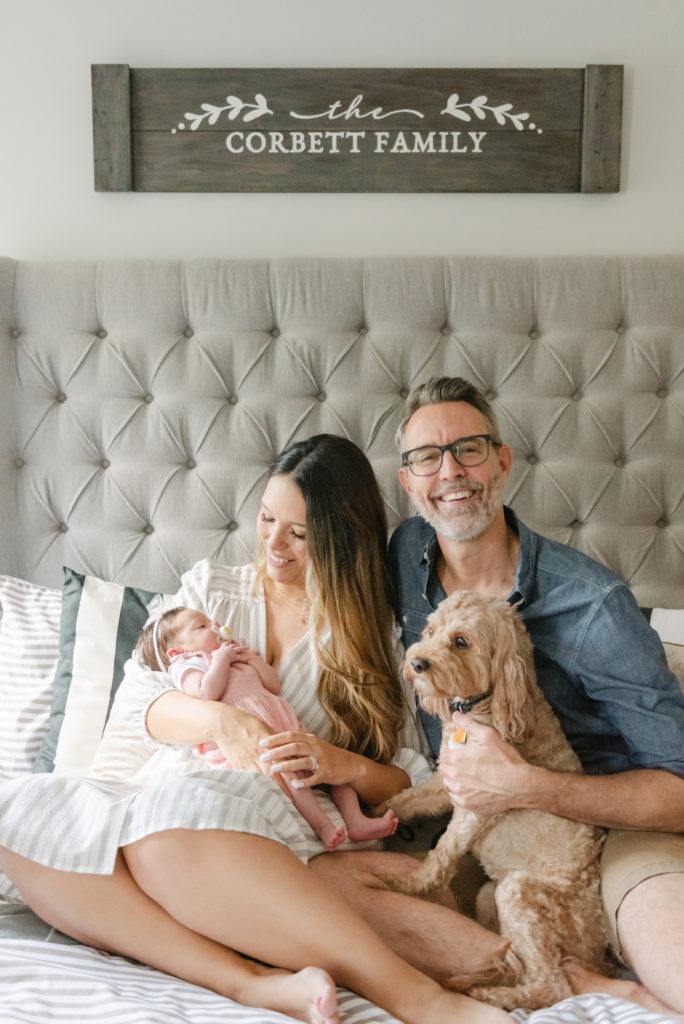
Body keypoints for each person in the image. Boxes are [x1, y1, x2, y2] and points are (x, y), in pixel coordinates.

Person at [0, 433, 510, 1024]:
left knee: (169, 832)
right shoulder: (210, 590)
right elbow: (143, 698)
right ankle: (249, 983)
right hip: (163, 791)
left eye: (298, 533)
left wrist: (341, 763)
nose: (273, 543)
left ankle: (416, 998)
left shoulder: (372, 634)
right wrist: (222, 719)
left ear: (340, 541)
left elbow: (415, 775)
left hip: (264, 818)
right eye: (267, 519)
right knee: (20, 812)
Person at [387, 375, 684, 1019]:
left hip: (617, 823)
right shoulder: (405, 556)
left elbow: (680, 791)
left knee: (671, 946)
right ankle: (568, 978)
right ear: (408, 481)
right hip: (479, 834)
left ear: (502, 461)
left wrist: (525, 786)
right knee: (337, 886)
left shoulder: (594, 606)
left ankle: (586, 968)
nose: (450, 472)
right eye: (427, 458)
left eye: (468, 449)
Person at [136, 605, 398, 850]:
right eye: (201, 626)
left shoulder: (233, 653)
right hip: (250, 736)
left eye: (209, 620)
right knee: (289, 773)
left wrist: (252, 660)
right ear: (177, 651)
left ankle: (356, 820)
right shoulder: (189, 665)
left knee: (330, 768)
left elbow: (273, 685)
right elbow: (206, 693)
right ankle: (322, 825)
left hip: (282, 722)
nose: (213, 624)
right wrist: (221, 660)